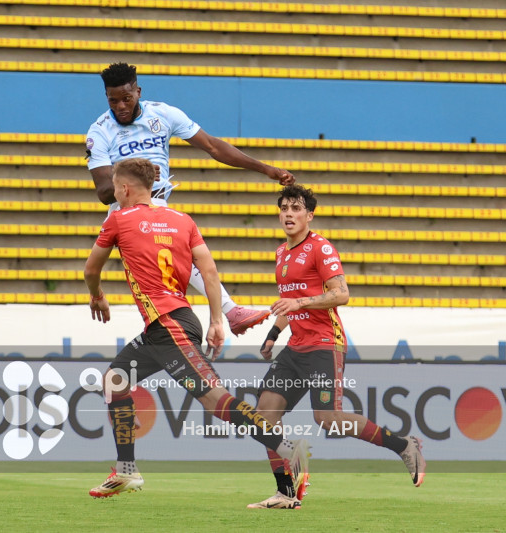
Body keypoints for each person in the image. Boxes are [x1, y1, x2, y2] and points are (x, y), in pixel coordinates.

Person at [83, 158, 310, 498]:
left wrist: (97, 295)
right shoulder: (183, 220)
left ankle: (289, 449)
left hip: (169, 327)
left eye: (116, 187)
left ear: (125, 188)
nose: (114, 193)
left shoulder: (118, 218)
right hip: (167, 326)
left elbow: (91, 269)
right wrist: (217, 319)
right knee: (115, 381)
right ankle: (126, 469)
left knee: (217, 401)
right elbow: (209, 271)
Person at [247, 184, 426, 510]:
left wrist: (299, 302)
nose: (289, 214)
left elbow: (341, 294)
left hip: (325, 344)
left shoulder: (321, 248)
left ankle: (403, 445)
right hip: (295, 347)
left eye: (296, 208)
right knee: (264, 416)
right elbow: (291, 303)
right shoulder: (281, 253)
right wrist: (273, 333)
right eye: (284, 208)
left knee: (328, 418)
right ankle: (286, 492)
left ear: (309, 215)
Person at [86, 62, 296, 336]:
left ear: (138, 92)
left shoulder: (163, 114)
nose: (121, 107)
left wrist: (266, 169)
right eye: (113, 101)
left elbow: (213, 146)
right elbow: (104, 192)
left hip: (157, 204)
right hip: (125, 210)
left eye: (127, 98)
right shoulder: (99, 131)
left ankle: (225, 313)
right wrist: (139, 172)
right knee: (183, 253)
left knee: (193, 255)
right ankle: (225, 313)